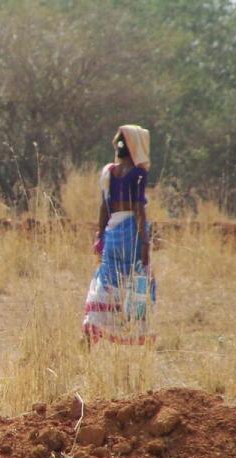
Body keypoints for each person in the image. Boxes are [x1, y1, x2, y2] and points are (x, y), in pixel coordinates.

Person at [82, 125, 156, 344]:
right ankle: (133, 331)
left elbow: (104, 207)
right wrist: (144, 242)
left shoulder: (109, 172)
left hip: (112, 232)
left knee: (108, 280)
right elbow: (139, 209)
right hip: (130, 233)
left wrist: (100, 235)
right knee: (137, 280)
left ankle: (93, 326)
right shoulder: (138, 173)